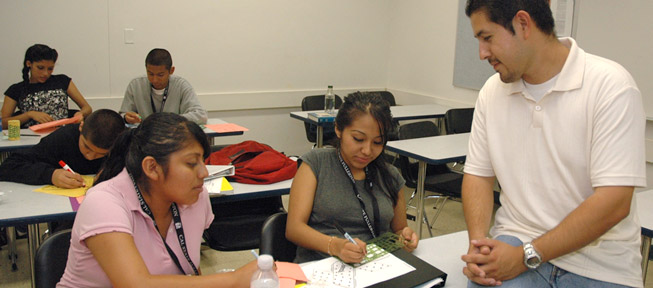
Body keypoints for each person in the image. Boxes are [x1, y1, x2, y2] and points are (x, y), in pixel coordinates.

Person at [461, 1, 646, 287]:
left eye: (487, 38)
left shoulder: (611, 86)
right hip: (515, 239)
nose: (482, 53)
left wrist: (526, 256)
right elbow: (478, 176)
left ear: (523, 24)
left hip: (601, 263)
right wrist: (479, 247)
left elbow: (615, 202)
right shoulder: (492, 92)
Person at [57, 112, 256, 287]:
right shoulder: (103, 202)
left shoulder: (196, 196)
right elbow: (135, 284)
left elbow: (188, 272)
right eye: (191, 163)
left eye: (202, 161)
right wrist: (233, 280)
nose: (204, 173)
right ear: (152, 167)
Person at [286, 91, 418, 264]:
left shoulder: (391, 175)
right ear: (338, 129)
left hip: (377, 266)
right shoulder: (316, 164)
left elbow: (400, 228)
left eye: (377, 142)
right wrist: (335, 246)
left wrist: (405, 237)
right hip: (322, 266)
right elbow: (294, 229)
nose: (367, 150)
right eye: (358, 139)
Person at [0, 109, 124, 188]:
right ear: (81, 127)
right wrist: (51, 175)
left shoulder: (125, 143)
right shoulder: (63, 138)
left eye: (100, 154)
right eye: (86, 147)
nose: (90, 156)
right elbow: (9, 166)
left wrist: (114, 171)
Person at [1, 44, 92, 129]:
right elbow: (3, 123)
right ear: (29, 64)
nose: (45, 73)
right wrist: (29, 115)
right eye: (40, 68)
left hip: (62, 134)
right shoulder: (16, 89)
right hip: (31, 137)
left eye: (50, 69)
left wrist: (80, 114)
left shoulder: (62, 81)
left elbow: (87, 108)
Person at [120, 48, 208, 125]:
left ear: (171, 70)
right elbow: (122, 115)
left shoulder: (181, 85)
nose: (154, 79)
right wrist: (126, 118)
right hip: (145, 137)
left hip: (172, 137)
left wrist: (170, 121)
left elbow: (201, 115)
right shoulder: (136, 85)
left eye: (160, 75)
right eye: (150, 74)